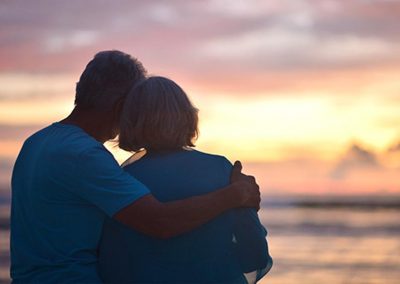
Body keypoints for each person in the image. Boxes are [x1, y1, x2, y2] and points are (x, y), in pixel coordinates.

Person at [10, 51, 261, 283]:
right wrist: (235, 195)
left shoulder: (36, 143)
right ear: (122, 105)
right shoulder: (84, 154)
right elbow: (159, 221)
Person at [98, 76, 272, 283]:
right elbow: (255, 256)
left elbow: (111, 265)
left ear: (131, 122)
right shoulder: (223, 171)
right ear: (187, 117)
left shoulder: (121, 180)